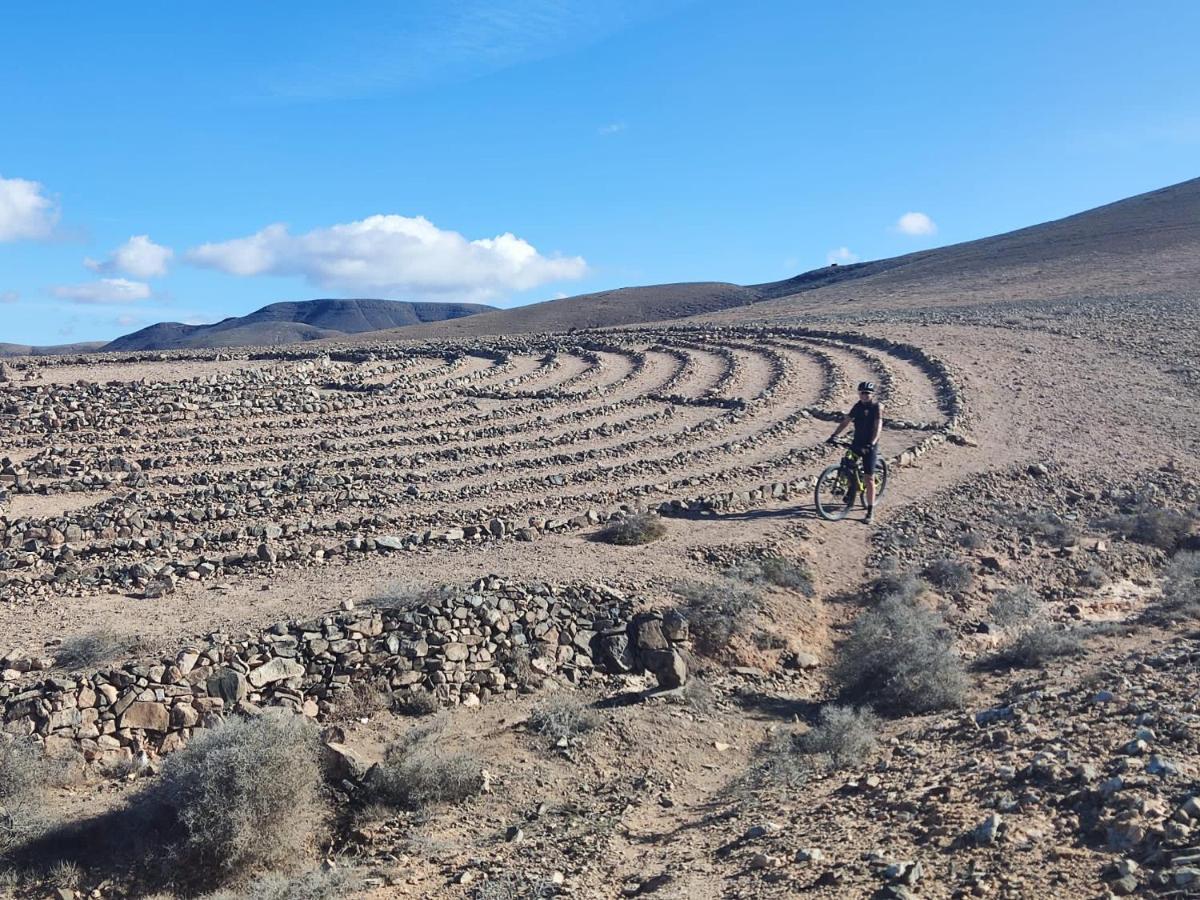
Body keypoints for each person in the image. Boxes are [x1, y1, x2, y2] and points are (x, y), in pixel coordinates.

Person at [826, 381, 883, 523]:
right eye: (862, 393)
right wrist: (834, 435)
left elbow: (878, 425)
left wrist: (873, 442)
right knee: (847, 464)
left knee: (869, 478)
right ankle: (851, 491)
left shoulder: (876, 407)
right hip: (856, 442)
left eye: (867, 393)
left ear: (872, 395)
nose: (864, 395)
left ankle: (870, 511)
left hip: (870, 445)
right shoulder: (857, 407)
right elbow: (846, 421)